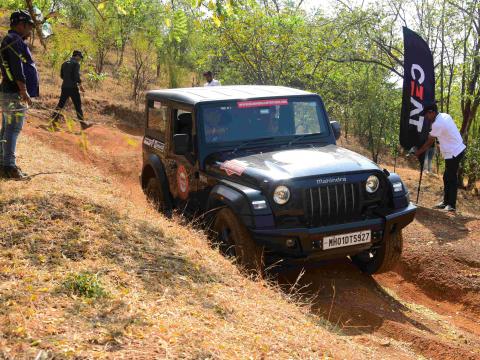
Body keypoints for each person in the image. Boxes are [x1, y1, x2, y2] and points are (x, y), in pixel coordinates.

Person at [0, 10, 38, 179]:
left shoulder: (10, 40)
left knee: (7, 128)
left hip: (8, 91)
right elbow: (16, 67)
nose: (30, 30)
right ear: (21, 24)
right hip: (14, 93)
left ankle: (3, 162)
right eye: (29, 26)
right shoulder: (14, 40)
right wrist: (23, 91)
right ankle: (9, 166)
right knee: (13, 129)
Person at [415, 102, 466, 212]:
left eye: (427, 114)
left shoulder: (438, 123)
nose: (426, 117)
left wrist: (418, 152)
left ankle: (451, 205)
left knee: (451, 177)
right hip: (454, 150)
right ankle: (446, 202)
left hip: (454, 152)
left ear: (432, 112)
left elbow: (429, 142)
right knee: (446, 177)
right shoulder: (445, 115)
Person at [51, 50, 92, 130]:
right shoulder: (76, 64)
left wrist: (67, 80)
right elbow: (76, 76)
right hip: (73, 88)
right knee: (78, 106)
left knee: (60, 104)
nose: (80, 59)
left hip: (64, 87)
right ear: (76, 56)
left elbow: (62, 76)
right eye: (80, 57)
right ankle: (83, 124)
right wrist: (80, 85)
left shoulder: (64, 63)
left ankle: (53, 121)